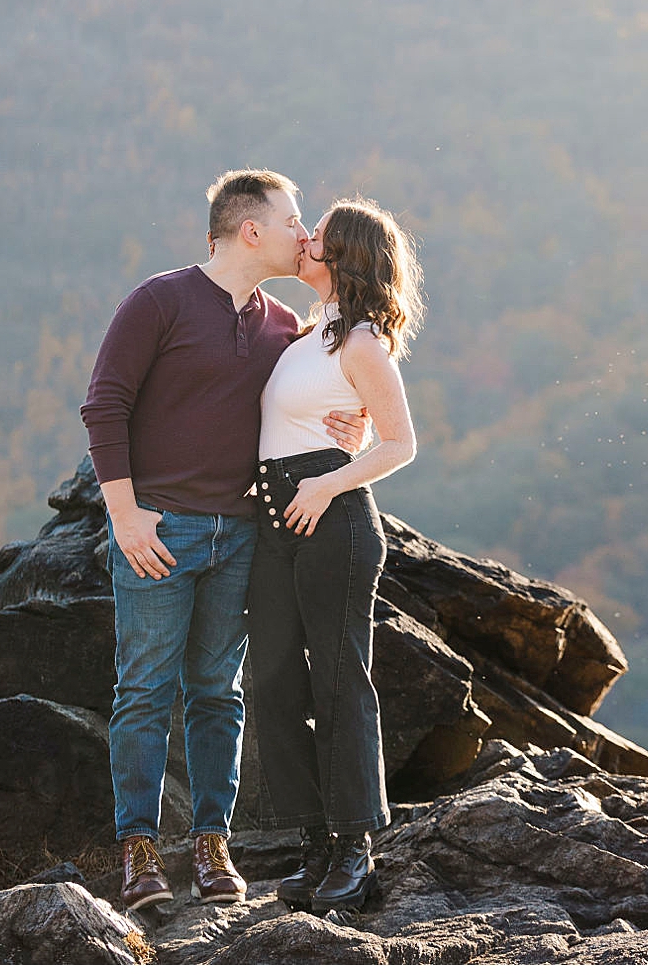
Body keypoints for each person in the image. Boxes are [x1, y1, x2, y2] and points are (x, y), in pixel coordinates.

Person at [80, 169, 365, 912]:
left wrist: (354, 426)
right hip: (158, 530)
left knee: (217, 692)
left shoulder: (281, 326)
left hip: (242, 534)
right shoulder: (159, 300)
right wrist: (125, 513)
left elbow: (321, 387)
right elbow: (104, 404)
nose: (306, 233)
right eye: (294, 219)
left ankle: (212, 845)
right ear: (250, 229)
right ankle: (139, 852)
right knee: (142, 689)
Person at [248, 197, 422, 915]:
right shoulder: (307, 332)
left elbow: (400, 442)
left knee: (340, 682)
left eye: (315, 234)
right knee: (275, 681)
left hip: (334, 518)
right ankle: (314, 842)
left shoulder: (360, 342)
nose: (304, 239)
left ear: (343, 256)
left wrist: (328, 480)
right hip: (274, 515)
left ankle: (354, 850)